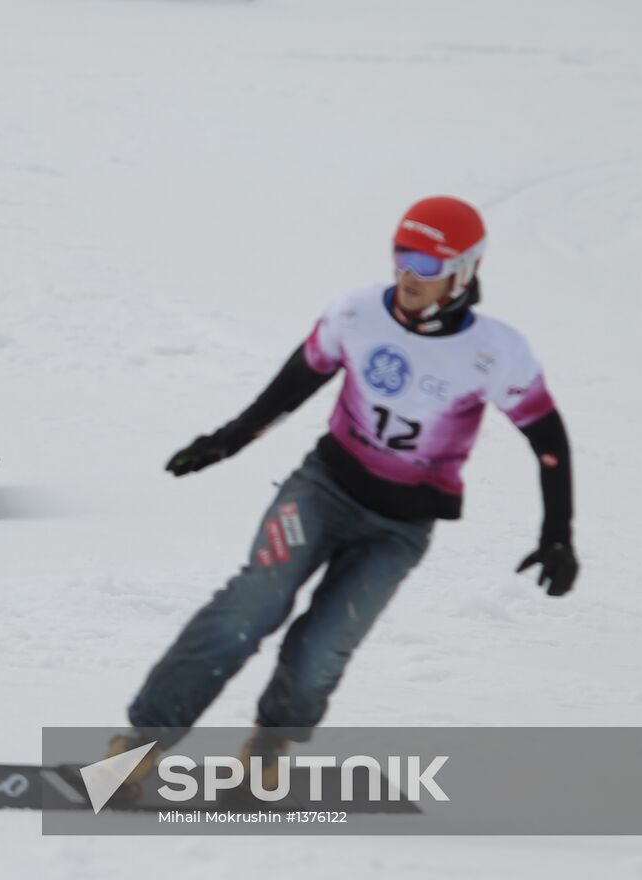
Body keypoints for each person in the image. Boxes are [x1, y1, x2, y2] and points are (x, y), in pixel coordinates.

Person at [116, 196, 578, 780]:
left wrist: (557, 534)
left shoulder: (493, 352)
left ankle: (268, 751)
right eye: (402, 256)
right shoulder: (358, 314)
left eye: (429, 265)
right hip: (322, 491)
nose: (410, 274)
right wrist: (226, 440)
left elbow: (548, 438)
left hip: (399, 530)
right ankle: (139, 747)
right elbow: (292, 385)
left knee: (321, 652)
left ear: (465, 271)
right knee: (251, 605)